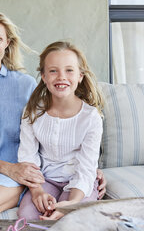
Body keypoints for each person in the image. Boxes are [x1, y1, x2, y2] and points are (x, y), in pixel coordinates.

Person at [0, 9, 106, 219]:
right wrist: (6, 168)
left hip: (19, 173)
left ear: (7, 43)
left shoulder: (26, 85)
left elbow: (45, 140)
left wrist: (87, 170)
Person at [17, 41, 104, 220]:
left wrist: (71, 204)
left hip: (79, 182)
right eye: (53, 70)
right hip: (45, 180)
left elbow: (87, 168)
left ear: (80, 75)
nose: (61, 77)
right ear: (43, 76)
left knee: (71, 218)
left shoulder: (91, 117)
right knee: (27, 216)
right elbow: (28, 157)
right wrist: (37, 192)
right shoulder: (32, 112)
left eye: (69, 70)